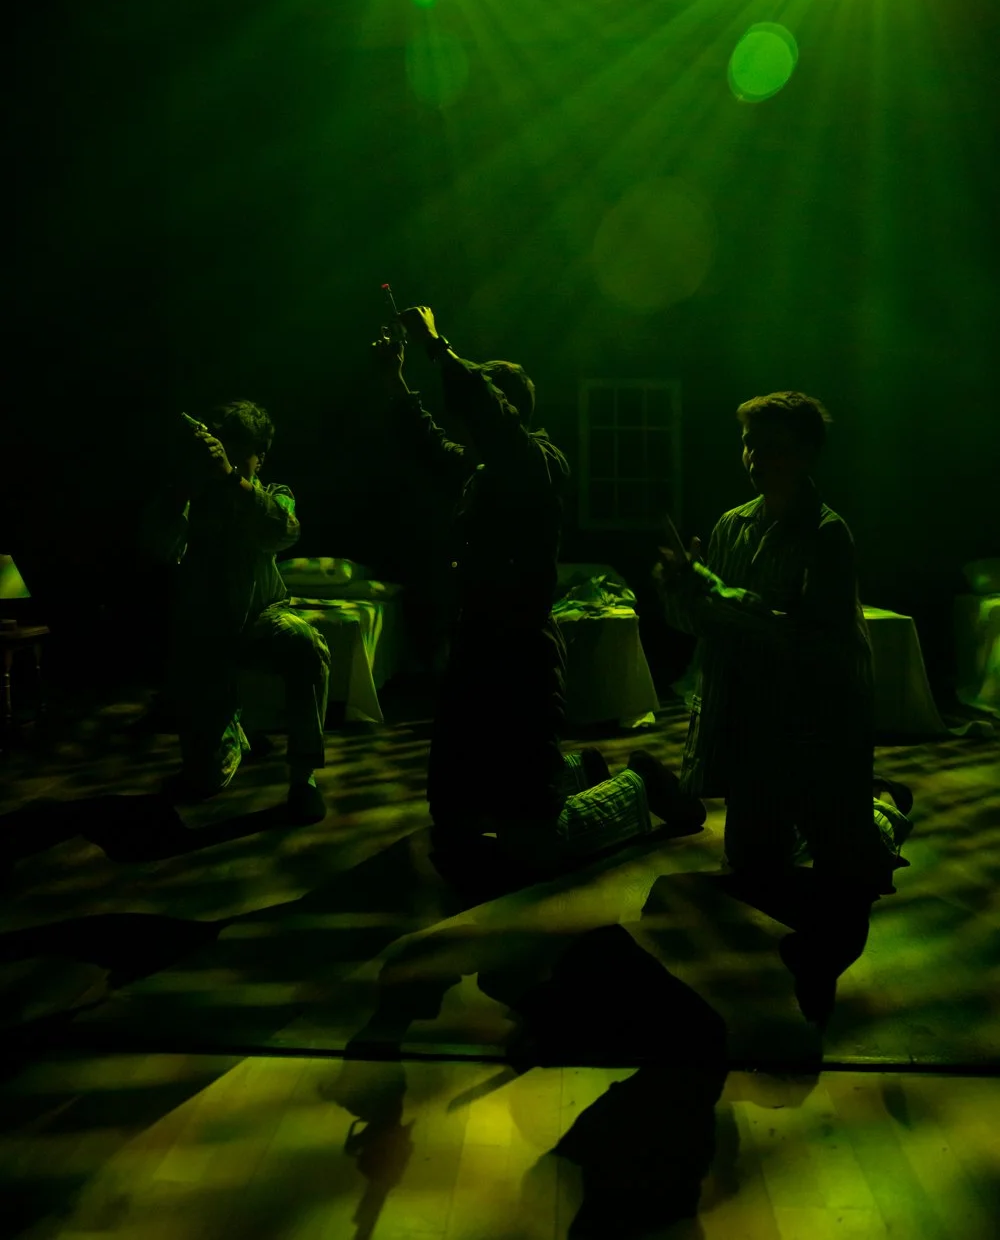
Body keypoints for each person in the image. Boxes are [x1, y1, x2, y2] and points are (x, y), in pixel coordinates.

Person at [372, 307, 703, 876]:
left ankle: (639, 783)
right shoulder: (486, 471)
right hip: (475, 647)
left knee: (539, 841)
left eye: (481, 413)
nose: (467, 426)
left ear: (505, 412)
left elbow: (489, 418)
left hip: (522, 656)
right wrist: (394, 380)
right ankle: (575, 772)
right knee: (453, 817)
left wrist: (435, 344)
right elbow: (428, 444)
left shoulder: (537, 463)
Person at [655, 390, 913, 1019]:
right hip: (757, 726)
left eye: (772, 448)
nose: (755, 458)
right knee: (751, 867)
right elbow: (702, 626)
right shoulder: (731, 525)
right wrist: (682, 592)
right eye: (749, 444)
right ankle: (840, 817)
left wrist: (717, 598)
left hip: (819, 724)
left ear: (806, 455)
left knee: (849, 878)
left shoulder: (826, 535)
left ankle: (882, 811)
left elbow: (806, 638)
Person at [142, 400, 331, 823]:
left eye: (236, 451)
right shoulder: (194, 498)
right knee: (204, 780)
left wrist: (230, 479)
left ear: (258, 457)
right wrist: (181, 489)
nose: (224, 459)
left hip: (262, 620)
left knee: (305, 642)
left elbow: (284, 532)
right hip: (205, 635)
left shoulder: (274, 496)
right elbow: (157, 546)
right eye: (222, 449)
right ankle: (235, 736)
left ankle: (304, 779)